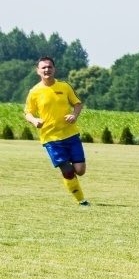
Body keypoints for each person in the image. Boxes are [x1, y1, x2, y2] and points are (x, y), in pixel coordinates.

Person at [24, 56, 89, 206]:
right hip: (51, 138)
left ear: (54, 69)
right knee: (67, 170)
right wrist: (34, 120)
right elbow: (27, 113)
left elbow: (77, 104)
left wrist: (74, 115)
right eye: (43, 67)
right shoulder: (34, 92)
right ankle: (81, 200)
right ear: (38, 71)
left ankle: (71, 179)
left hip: (71, 135)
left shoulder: (64, 87)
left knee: (80, 170)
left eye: (50, 67)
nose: (47, 69)